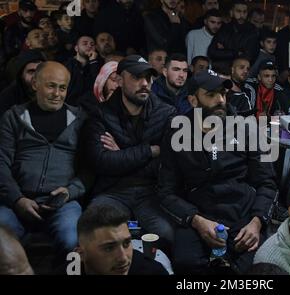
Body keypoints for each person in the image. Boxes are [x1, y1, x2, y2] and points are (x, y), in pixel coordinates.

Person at [158, 70, 277, 274]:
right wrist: (196, 221)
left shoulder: (247, 128)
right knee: (188, 265)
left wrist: (257, 222)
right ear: (193, 100)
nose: (220, 100)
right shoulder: (176, 132)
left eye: (223, 93)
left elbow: (268, 184)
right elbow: (165, 191)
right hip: (199, 213)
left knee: (253, 268)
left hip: (243, 214)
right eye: (211, 95)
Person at [83, 55, 176, 252]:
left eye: (148, 78)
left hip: (152, 192)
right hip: (112, 191)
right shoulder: (100, 114)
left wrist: (122, 155)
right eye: (136, 77)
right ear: (118, 80)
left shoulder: (166, 113)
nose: (144, 83)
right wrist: (150, 150)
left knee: (167, 235)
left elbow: (167, 164)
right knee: (95, 235)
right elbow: (101, 162)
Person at [0, 61, 87, 254]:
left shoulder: (80, 119)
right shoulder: (13, 117)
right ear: (35, 84)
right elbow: (1, 164)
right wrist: (17, 199)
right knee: (2, 245)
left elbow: (90, 168)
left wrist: (70, 191)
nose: (57, 94)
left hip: (63, 203)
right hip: (15, 202)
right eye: (51, 86)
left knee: (72, 240)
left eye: (62, 88)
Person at [74, 204, 168, 275]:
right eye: (109, 248)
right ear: (81, 254)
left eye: (126, 243)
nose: (123, 258)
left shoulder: (153, 271)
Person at [208, 0, 259, 67]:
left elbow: (249, 56)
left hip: (242, 72)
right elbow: (212, 52)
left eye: (245, 12)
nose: (242, 15)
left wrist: (225, 50)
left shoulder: (252, 31)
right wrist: (237, 53)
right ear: (231, 13)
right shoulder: (223, 29)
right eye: (238, 11)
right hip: (222, 71)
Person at [0, 49, 46, 116]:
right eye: (31, 72)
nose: (36, 76)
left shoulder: (55, 90)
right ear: (21, 75)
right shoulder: (7, 97)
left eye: (40, 71)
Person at [64, 36, 101, 106]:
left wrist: (93, 62)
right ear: (76, 48)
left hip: (92, 106)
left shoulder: (96, 64)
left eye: (92, 44)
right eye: (85, 44)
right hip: (70, 105)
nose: (89, 46)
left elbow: (98, 85)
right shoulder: (67, 66)